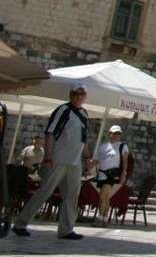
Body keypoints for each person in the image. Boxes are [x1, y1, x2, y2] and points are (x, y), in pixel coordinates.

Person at [12, 83, 92, 240]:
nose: (78, 96)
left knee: (72, 196)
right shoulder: (63, 110)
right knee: (44, 192)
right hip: (58, 160)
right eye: (75, 93)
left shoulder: (84, 113)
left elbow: (83, 139)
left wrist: (88, 158)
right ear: (70, 95)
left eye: (81, 94)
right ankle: (20, 224)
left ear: (85, 96)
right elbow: (50, 133)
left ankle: (66, 230)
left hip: (75, 162)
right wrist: (48, 156)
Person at [94, 125, 130, 225]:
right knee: (105, 197)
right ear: (109, 133)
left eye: (118, 133)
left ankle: (100, 218)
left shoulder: (123, 146)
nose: (116, 135)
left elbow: (125, 161)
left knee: (102, 196)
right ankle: (105, 219)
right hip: (101, 173)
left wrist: (124, 173)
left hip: (112, 173)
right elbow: (97, 160)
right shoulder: (103, 146)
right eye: (114, 133)